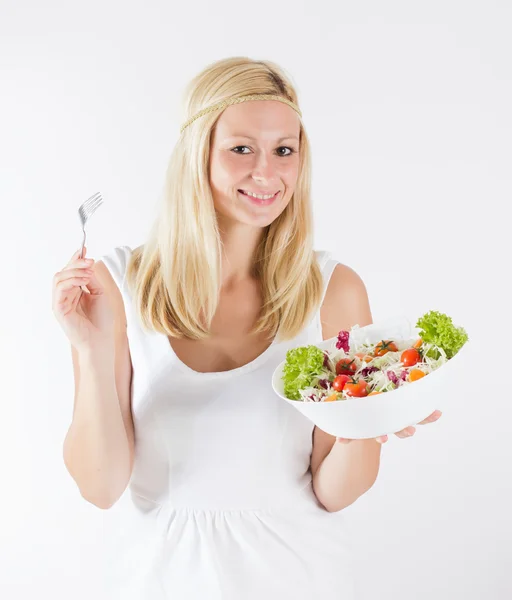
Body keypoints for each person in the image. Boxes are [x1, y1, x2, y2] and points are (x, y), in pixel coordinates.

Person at [52, 57, 442, 599]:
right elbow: (100, 486)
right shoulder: (116, 283)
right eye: (242, 149)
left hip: (299, 579)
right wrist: (91, 353)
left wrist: (369, 418)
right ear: (197, 156)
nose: (268, 172)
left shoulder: (333, 290)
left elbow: (335, 492)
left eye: (285, 149)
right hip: (154, 581)